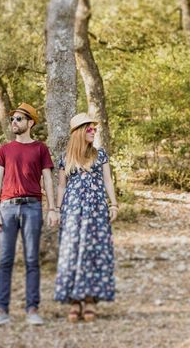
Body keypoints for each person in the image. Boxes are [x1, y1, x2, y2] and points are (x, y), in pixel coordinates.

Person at [0, 103, 59, 327]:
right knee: (5, 260)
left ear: (30, 123)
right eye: (13, 119)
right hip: (7, 208)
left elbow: (48, 180)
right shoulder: (4, 150)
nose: (14, 123)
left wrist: (52, 208)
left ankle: (32, 309)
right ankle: (2, 311)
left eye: (19, 119)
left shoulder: (40, 149)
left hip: (32, 208)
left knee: (31, 260)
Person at [54, 113, 118, 322]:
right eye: (89, 128)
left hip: (97, 211)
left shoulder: (101, 155)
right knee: (72, 253)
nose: (93, 131)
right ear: (80, 132)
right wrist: (57, 209)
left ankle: (90, 300)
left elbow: (108, 181)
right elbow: (62, 186)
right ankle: (74, 301)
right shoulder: (66, 158)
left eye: (94, 128)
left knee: (94, 252)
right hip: (72, 212)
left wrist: (114, 204)